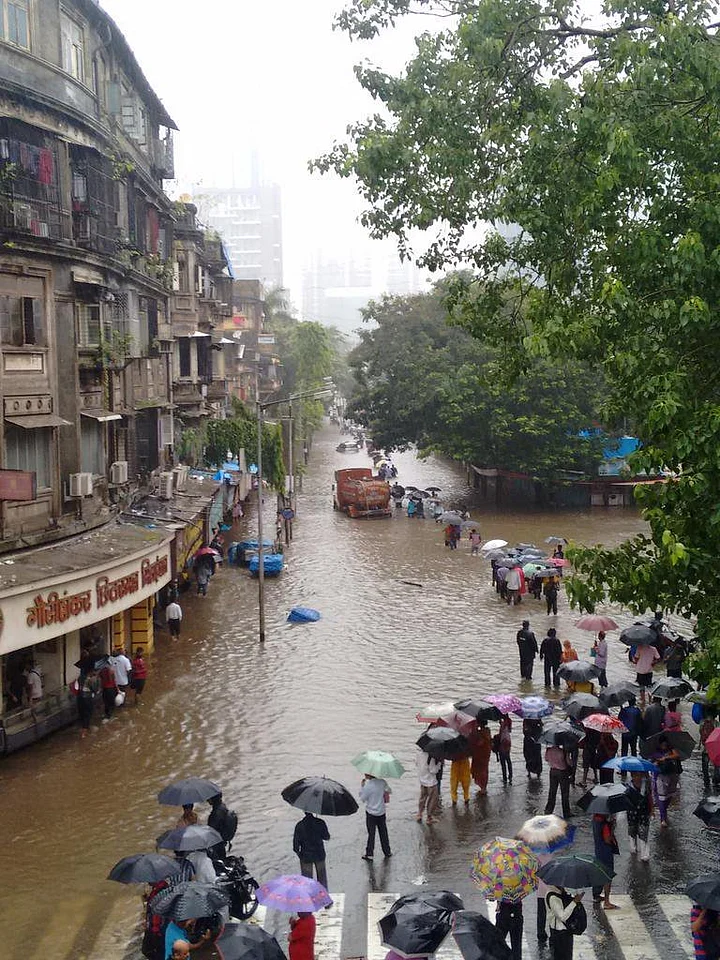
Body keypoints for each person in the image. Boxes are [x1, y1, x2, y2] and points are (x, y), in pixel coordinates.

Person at [359, 773, 392, 860]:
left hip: (371, 813)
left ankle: (369, 853)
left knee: (371, 834)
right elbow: (389, 790)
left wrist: (362, 787)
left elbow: (362, 798)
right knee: (383, 832)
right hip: (381, 812)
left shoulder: (368, 785)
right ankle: (387, 851)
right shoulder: (382, 782)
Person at [546, 885, 584, 959]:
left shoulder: (561, 892)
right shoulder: (553, 897)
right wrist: (574, 902)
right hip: (559, 934)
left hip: (566, 931)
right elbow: (562, 916)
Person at [293, 811, 330, 889]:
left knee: (306, 881)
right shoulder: (320, 823)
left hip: (306, 856)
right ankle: (323, 897)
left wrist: (300, 855)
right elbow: (327, 837)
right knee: (322, 878)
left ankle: (308, 898)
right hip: (319, 854)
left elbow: (296, 846)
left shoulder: (299, 825)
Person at [652, 734, 681, 827]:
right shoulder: (655, 752)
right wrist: (657, 762)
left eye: (665, 743)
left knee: (669, 796)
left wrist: (666, 757)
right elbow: (652, 763)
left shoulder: (671, 750)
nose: (664, 745)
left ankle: (664, 812)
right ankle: (663, 818)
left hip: (672, 776)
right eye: (662, 744)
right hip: (660, 777)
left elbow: (676, 755)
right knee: (661, 797)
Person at [592, 813, 619, 909]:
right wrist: (612, 828)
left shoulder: (595, 819)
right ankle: (607, 901)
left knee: (599, 872)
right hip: (606, 852)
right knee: (607, 875)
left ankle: (596, 895)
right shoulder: (604, 824)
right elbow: (607, 840)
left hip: (598, 851)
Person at [626, 771, 653, 862]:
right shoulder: (628, 787)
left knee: (643, 831)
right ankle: (633, 846)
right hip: (632, 812)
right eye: (636, 775)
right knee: (632, 829)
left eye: (640, 775)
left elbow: (650, 797)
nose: (639, 777)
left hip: (644, 812)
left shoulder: (646, 785)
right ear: (632, 776)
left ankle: (645, 853)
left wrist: (652, 810)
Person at [207, 792, 238, 860]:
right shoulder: (222, 806)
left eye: (209, 798)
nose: (207, 800)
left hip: (216, 844)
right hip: (221, 842)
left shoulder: (216, 813)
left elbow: (210, 830)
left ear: (213, 799)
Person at [544, 744, 572, 818]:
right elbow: (569, 762)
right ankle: (566, 812)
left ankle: (548, 810)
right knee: (565, 793)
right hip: (562, 772)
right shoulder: (562, 751)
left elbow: (546, 759)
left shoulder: (548, 750)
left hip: (552, 771)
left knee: (552, 791)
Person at [416, 749, 441, 823]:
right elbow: (433, 770)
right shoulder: (432, 756)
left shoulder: (419, 754)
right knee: (432, 800)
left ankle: (419, 814)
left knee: (422, 798)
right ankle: (429, 817)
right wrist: (439, 764)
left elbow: (417, 764)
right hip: (431, 782)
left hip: (422, 780)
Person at [470, 719, 492, 795]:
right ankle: (484, 787)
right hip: (486, 754)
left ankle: (483, 788)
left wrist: (475, 729)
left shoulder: (481, 733)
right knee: (485, 770)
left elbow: (478, 743)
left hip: (480, 755)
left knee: (481, 771)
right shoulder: (488, 731)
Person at [76, 667, 98, 738]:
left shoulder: (80, 677)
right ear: (90, 672)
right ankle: (84, 732)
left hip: (79, 697)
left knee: (82, 713)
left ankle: (83, 728)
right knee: (88, 713)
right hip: (87, 698)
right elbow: (94, 689)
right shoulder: (91, 679)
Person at [619, 696, 642, 761]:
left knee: (624, 751)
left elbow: (619, 719)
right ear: (634, 702)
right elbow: (639, 721)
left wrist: (622, 710)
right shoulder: (637, 710)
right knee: (633, 750)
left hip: (625, 733)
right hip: (634, 733)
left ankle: (623, 769)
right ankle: (634, 767)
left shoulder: (624, 710)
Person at [700, 713, 720, 787]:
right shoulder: (716, 724)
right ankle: (716, 780)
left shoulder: (702, 723)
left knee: (705, 766)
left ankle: (706, 781)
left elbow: (701, 733)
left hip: (706, 748)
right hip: (715, 748)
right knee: (716, 764)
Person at [497, 715, 513, 784]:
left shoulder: (505, 723)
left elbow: (501, 733)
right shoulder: (508, 721)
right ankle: (510, 776)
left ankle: (505, 777)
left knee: (503, 761)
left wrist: (501, 724)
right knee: (508, 760)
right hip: (508, 742)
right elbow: (509, 730)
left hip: (503, 743)